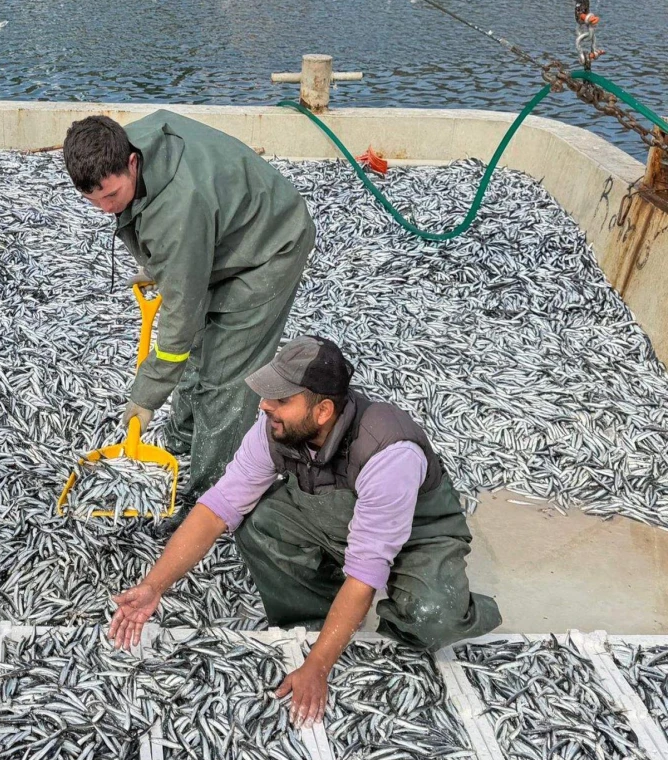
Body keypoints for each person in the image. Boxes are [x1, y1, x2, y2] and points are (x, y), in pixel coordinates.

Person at [108, 335, 501, 726]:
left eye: (280, 400)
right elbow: (217, 509)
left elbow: (365, 573)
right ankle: (315, 616)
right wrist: (153, 586)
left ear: (323, 410)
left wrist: (317, 667)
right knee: (260, 523)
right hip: (340, 518)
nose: (264, 406)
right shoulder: (276, 430)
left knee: (432, 615)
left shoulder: (387, 452)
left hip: (419, 532)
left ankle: (459, 603)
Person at [62, 110, 316, 517]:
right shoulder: (124, 143)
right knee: (196, 352)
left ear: (131, 161)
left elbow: (181, 312)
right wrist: (162, 262)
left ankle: (213, 497)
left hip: (270, 246)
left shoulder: (179, 208)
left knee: (226, 377)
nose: (106, 210)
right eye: (94, 201)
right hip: (220, 233)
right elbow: (177, 255)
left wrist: (145, 396)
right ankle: (181, 443)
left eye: (111, 197)